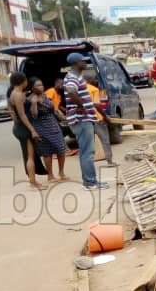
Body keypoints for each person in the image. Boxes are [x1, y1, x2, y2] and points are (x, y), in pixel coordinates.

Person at [63, 53, 107, 190]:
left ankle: (90, 180)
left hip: (82, 118)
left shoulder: (77, 76)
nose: (85, 63)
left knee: (86, 151)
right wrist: (81, 106)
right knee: (87, 152)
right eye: (83, 61)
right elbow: (71, 90)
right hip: (81, 119)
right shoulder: (72, 77)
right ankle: (90, 182)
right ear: (77, 63)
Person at [6, 72, 44, 190]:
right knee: (30, 156)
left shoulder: (13, 93)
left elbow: (12, 112)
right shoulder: (17, 95)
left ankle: (33, 181)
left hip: (19, 127)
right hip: (24, 128)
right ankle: (32, 183)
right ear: (23, 81)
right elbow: (22, 115)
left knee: (29, 155)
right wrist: (32, 130)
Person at [28, 78, 69, 182]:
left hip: (53, 125)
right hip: (41, 127)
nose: (41, 87)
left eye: (41, 85)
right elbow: (34, 116)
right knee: (47, 152)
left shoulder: (45, 96)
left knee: (61, 149)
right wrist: (34, 104)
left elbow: (54, 109)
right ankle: (50, 175)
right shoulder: (30, 99)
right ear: (32, 88)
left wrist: (64, 117)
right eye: (38, 85)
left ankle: (61, 172)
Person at [85, 74, 115, 166]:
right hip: (97, 118)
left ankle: (87, 164)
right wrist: (105, 116)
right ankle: (109, 161)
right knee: (105, 140)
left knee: (86, 143)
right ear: (91, 81)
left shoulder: (79, 90)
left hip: (84, 119)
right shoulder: (94, 89)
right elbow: (97, 105)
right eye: (94, 80)